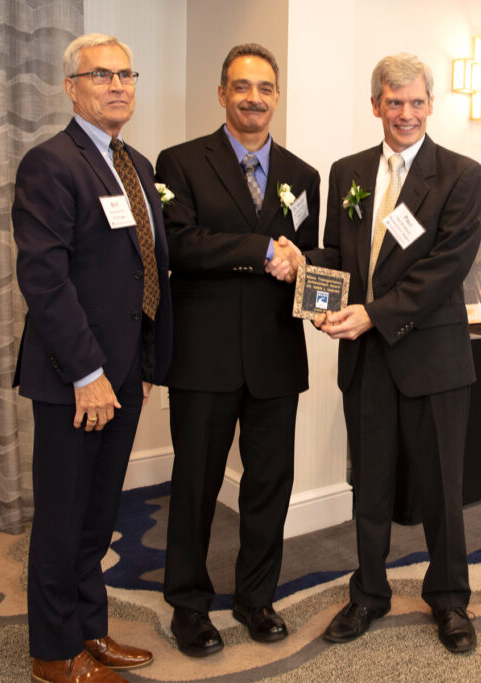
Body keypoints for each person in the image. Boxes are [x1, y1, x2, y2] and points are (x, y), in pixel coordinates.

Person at [306, 53, 481, 654]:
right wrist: (310, 277)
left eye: (415, 102)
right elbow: (337, 252)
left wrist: (373, 315)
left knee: (441, 489)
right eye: (393, 101)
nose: (404, 113)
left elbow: (445, 268)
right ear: (375, 104)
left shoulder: (461, 175)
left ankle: (450, 600)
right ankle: (368, 594)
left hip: (431, 359)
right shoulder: (348, 170)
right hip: (366, 358)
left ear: (430, 105)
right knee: (371, 484)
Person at [12, 33, 172, 682]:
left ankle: (89, 631)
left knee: (100, 512)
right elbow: (44, 281)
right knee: (61, 519)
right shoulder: (51, 163)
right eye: (100, 74)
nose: (117, 85)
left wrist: (145, 363)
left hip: (126, 373)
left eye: (126, 73)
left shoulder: (137, 165)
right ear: (71, 87)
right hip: (74, 379)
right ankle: (54, 653)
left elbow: (149, 267)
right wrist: (88, 373)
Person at [154, 43, 318, 657]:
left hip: (277, 356)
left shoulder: (303, 175)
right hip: (206, 356)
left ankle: (256, 599)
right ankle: (189, 606)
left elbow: (315, 252)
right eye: (242, 86)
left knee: (269, 486)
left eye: (266, 88)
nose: (254, 98)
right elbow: (180, 246)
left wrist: (306, 260)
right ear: (222, 94)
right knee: (195, 485)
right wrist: (262, 250)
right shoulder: (180, 162)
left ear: (277, 96)